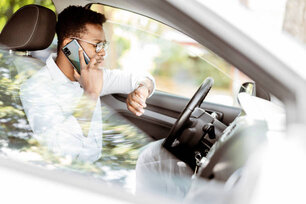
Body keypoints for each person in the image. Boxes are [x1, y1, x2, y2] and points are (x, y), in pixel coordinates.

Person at [20, 6, 155, 162]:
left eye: (103, 46)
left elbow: (142, 78)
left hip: (98, 167)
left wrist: (142, 89)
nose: (103, 53)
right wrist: (90, 94)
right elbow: (60, 152)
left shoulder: (94, 75)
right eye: (96, 45)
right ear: (69, 45)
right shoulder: (36, 88)